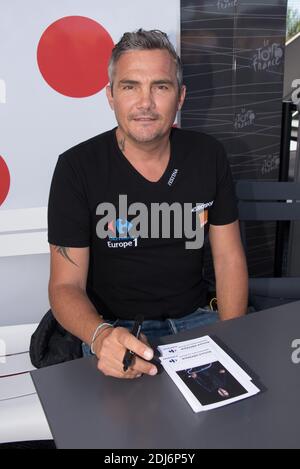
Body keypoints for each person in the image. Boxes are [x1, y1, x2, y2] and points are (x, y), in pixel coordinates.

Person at [48, 29, 248, 380]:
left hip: (197, 320)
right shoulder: (77, 167)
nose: (145, 103)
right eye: (130, 86)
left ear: (180, 96)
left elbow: (228, 258)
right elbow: (65, 286)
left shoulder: (208, 155)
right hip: (116, 329)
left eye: (161, 86)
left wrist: (231, 338)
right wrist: (101, 337)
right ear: (110, 95)